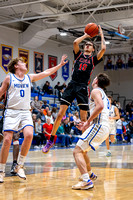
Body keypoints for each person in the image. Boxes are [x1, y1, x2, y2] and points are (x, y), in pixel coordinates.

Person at [0, 54, 68, 183]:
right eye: (22, 62)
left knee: (29, 135)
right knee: (7, 139)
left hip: (25, 112)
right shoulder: (9, 78)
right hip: (11, 111)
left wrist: (59, 65)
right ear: (16, 66)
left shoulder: (29, 77)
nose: (25, 64)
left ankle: (19, 165)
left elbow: (46, 72)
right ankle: (1, 170)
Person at [42, 25, 106, 153]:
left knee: (83, 119)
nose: (87, 45)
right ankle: (51, 140)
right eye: (86, 44)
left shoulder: (93, 60)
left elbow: (103, 48)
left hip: (82, 86)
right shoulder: (78, 55)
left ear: (93, 49)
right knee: (60, 114)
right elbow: (75, 42)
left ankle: (83, 145)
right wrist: (87, 35)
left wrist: (101, 34)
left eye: (89, 45)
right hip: (72, 84)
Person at [72, 73, 110, 190]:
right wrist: (87, 124)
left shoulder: (95, 91)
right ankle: (89, 174)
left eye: (94, 78)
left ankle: (86, 181)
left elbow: (100, 106)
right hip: (101, 126)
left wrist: (88, 122)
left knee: (76, 151)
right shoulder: (102, 93)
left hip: (99, 126)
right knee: (83, 151)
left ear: (96, 80)